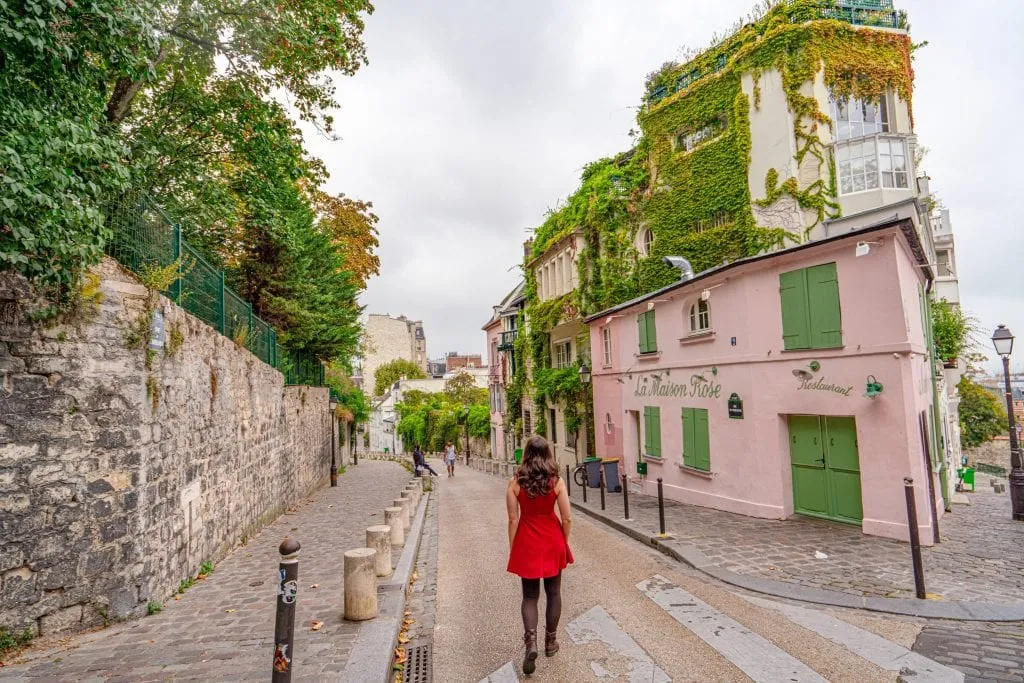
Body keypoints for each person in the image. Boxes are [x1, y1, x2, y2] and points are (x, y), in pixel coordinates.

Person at [506, 436, 573, 675]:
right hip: (552, 539)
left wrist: (515, 547)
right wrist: (562, 541)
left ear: (526, 454)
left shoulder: (516, 483)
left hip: (528, 541)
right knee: (554, 592)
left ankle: (531, 642)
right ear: (547, 454)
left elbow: (513, 519)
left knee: (529, 596)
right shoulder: (557, 482)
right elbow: (566, 517)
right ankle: (550, 642)